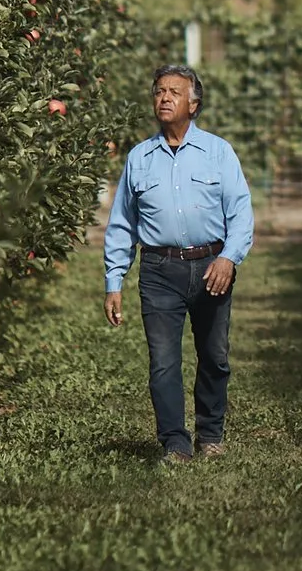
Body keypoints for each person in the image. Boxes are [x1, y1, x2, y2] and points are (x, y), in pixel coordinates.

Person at [102, 63, 255, 465]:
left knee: (215, 356)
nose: (164, 98)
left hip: (211, 267)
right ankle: (175, 442)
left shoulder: (219, 153)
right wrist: (113, 281)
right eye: (158, 91)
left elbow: (241, 214)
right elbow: (122, 224)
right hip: (159, 272)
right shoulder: (139, 158)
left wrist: (228, 258)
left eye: (174, 91)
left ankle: (211, 433)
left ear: (194, 103)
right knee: (164, 363)